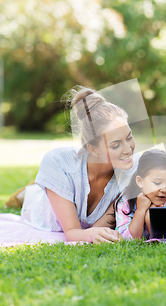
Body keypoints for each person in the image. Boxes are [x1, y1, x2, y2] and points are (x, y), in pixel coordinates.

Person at [20, 86, 140, 244]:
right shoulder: (59, 162)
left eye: (129, 137)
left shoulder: (135, 170)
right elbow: (72, 232)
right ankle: (28, 190)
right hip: (41, 208)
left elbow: (99, 227)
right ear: (93, 149)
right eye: (115, 145)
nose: (127, 149)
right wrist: (88, 235)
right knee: (29, 195)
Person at [113, 149, 166, 240]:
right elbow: (126, 241)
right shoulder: (126, 201)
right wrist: (140, 210)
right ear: (140, 182)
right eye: (157, 183)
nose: (164, 190)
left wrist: (152, 219)